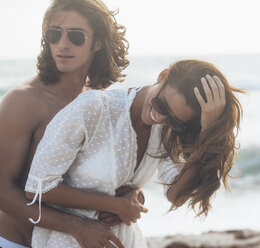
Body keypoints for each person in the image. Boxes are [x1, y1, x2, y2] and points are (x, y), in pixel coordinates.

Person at [24, 59, 244, 248]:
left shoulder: (169, 131)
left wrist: (206, 138)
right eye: (161, 104)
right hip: (69, 240)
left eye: (173, 119)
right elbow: (38, 188)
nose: (159, 118)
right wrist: (116, 205)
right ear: (163, 76)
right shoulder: (94, 108)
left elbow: (175, 195)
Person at [0, 0, 130, 247]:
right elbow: (1, 192)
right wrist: (78, 227)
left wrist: (134, 196)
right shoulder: (24, 101)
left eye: (76, 36)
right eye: (54, 34)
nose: (62, 44)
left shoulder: (99, 99)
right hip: (15, 242)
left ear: (99, 42)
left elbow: (116, 171)